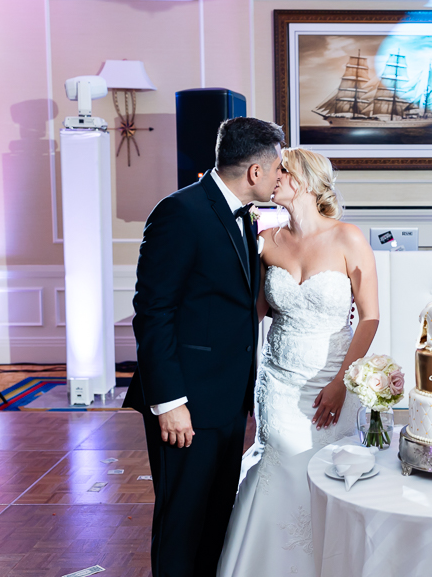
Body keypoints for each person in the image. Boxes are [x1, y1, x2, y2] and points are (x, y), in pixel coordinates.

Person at [124, 117, 286, 576]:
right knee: (183, 522)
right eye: (277, 167)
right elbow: (154, 312)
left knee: (216, 519)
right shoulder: (181, 212)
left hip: (228, 401)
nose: (280, 176)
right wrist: (170, 403)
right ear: (255, 172)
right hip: (187, 403)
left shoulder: (247, 216)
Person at [217, 147, 379, 576]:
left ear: (305, 180)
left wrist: (343, 382)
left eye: (282, 171)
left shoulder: (348, 238)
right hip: (279, 383)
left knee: (326, 471)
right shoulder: (266, 239)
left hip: (331, 380)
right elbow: (250, 312)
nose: (273, 177)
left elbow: (370, 316)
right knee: (280, 466)